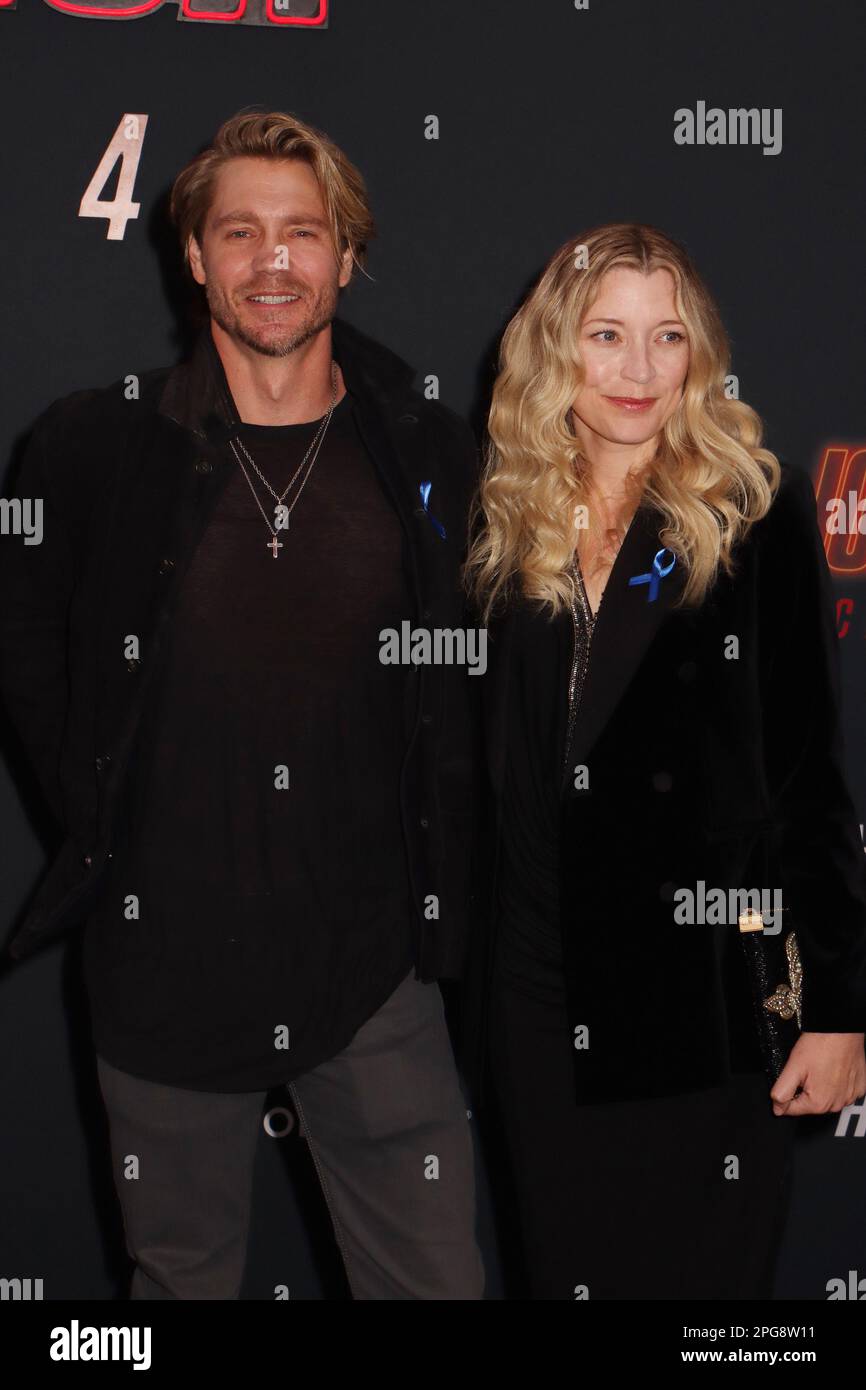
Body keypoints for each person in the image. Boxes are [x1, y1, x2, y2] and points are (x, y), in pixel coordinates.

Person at [0, 108, 485, 1300]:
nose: (273, 261)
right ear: (196, 257)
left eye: (303, 233)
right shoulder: (92, 447)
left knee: (432, 1286)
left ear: (346, 254)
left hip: (373, 969)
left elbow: (478, 686)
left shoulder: (431, 452)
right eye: (241, 232)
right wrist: (116, 823)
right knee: (177, 1291)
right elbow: (28, 651)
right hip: (161, 963)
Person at [460, 222, 866, 1300]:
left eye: (666, 337)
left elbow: (807, 781)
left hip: (702, 1001)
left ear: (698, 355)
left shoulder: (746, 515)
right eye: (605, 335)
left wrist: (835, 1007)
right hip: (537, 995)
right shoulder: (506, 522)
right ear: (555, 349)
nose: (637, 371)